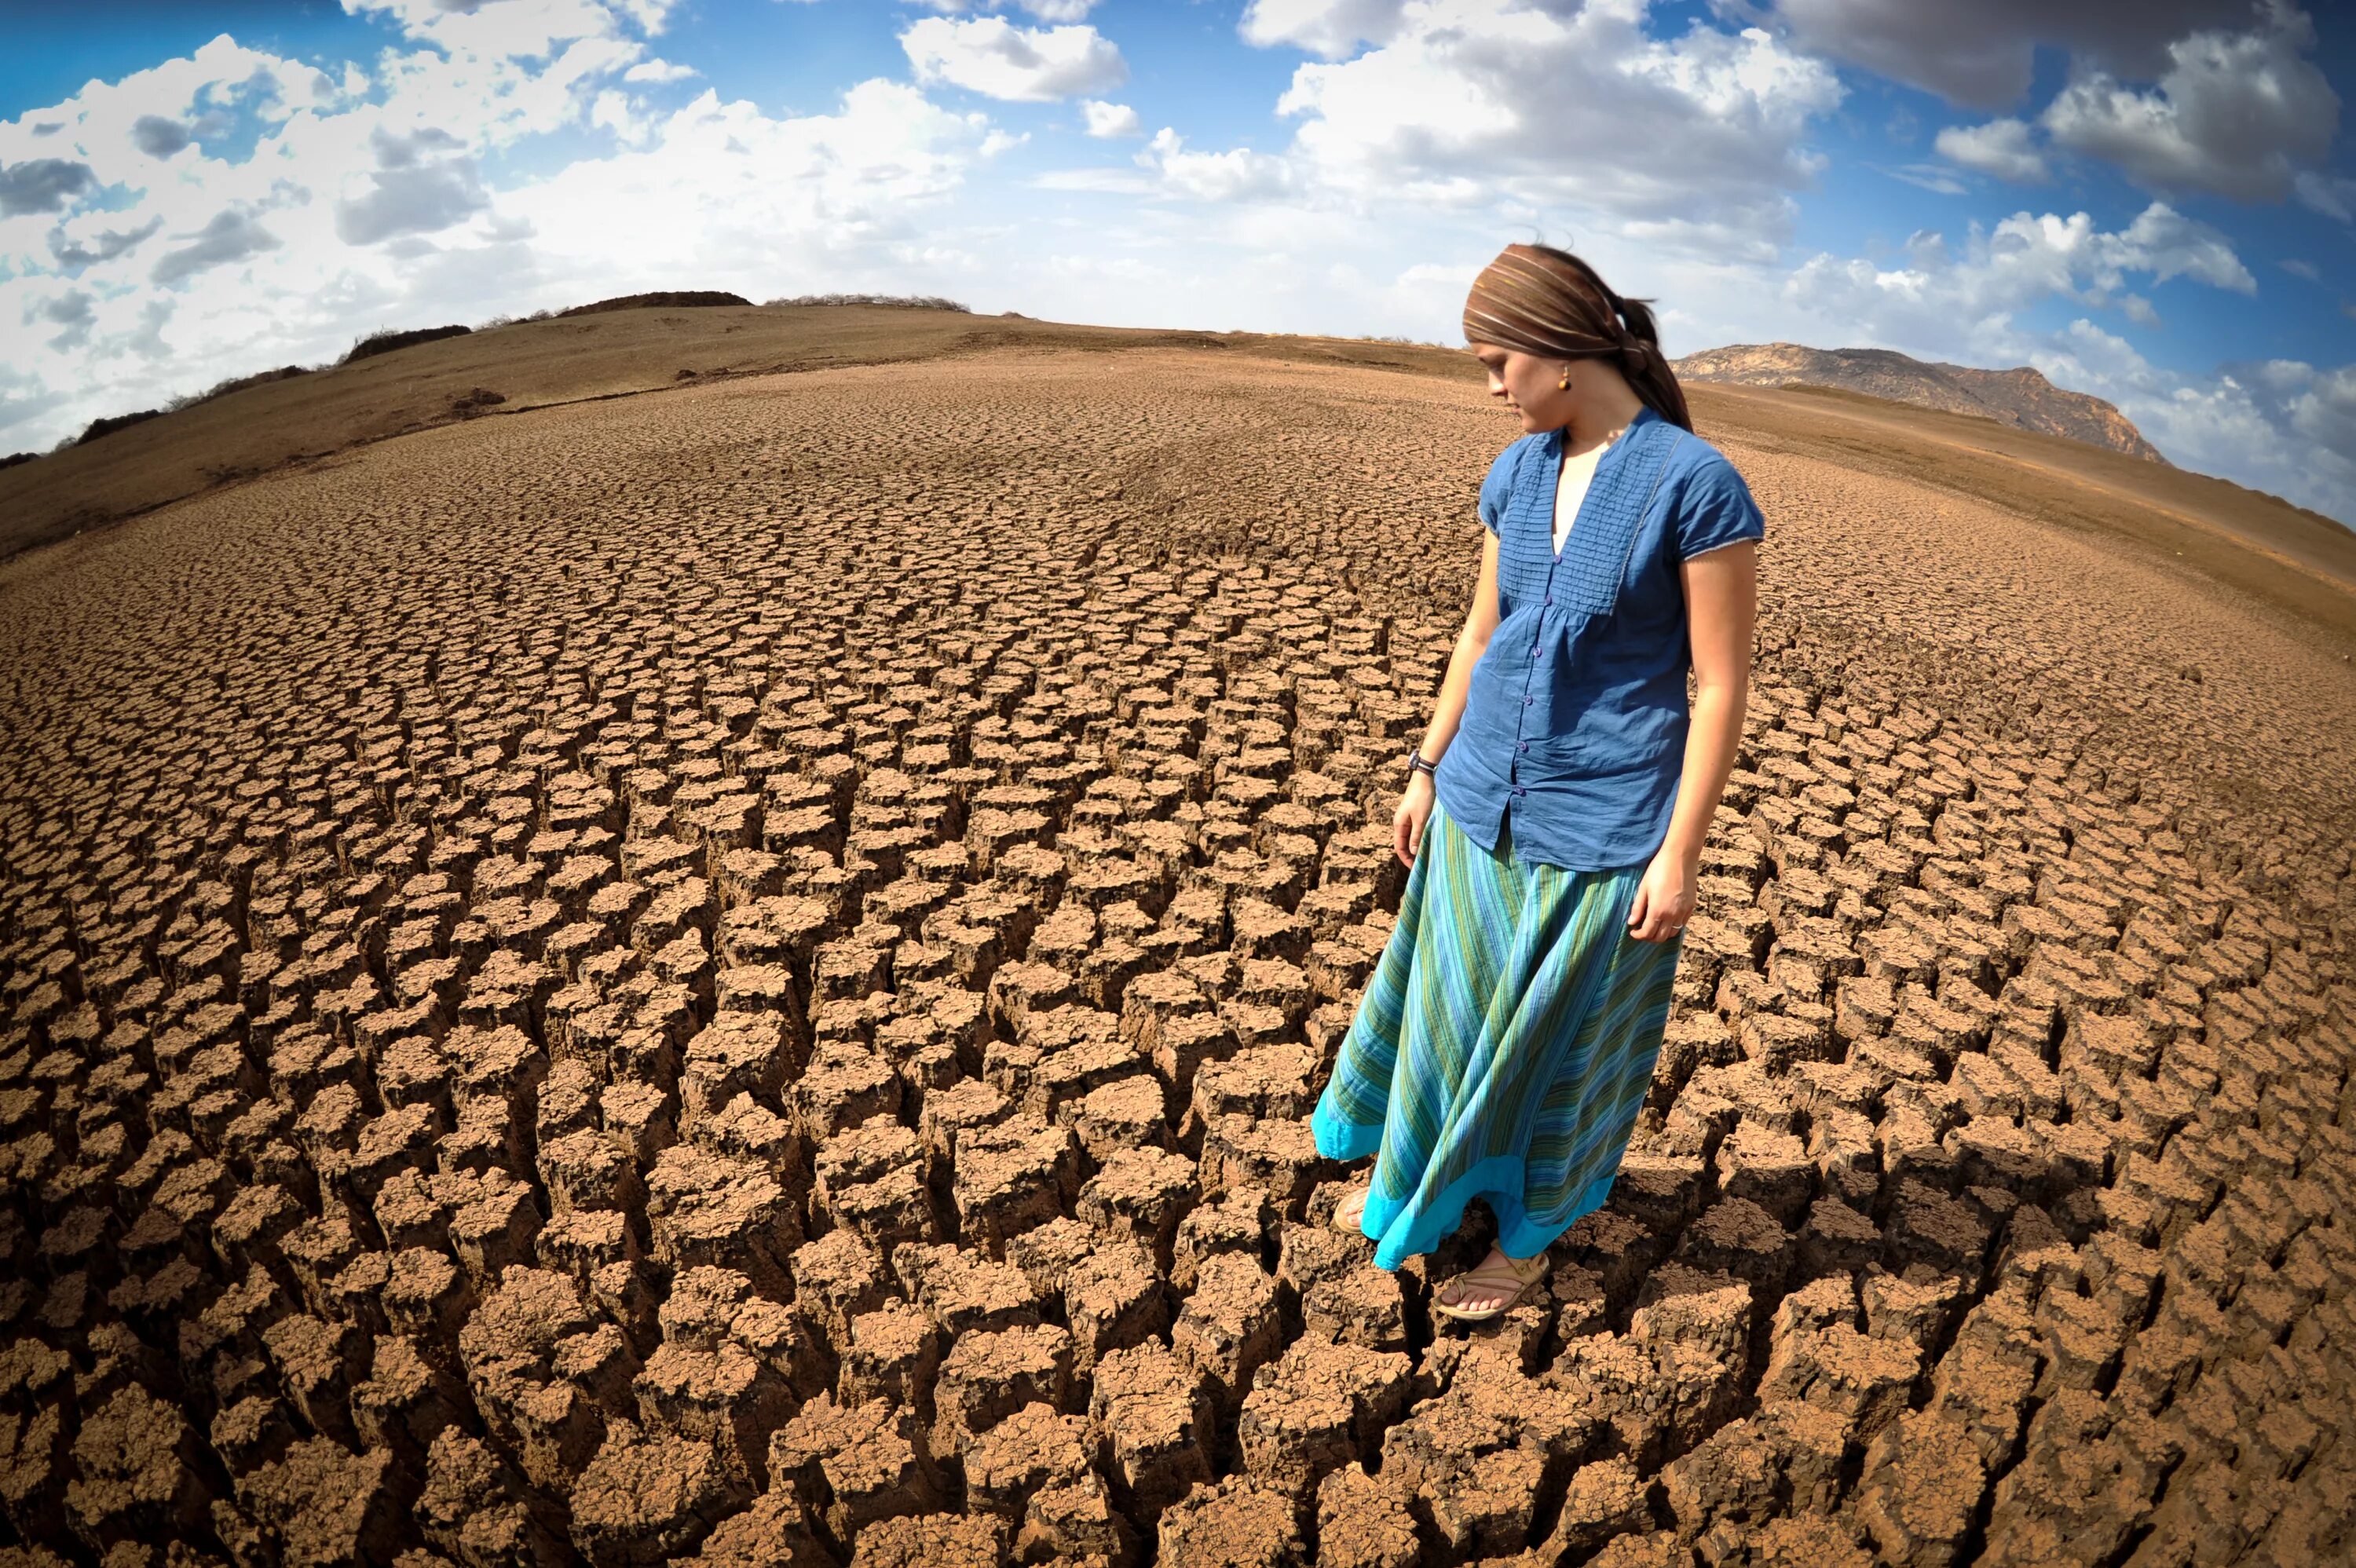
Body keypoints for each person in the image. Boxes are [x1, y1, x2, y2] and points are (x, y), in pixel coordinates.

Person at [1308, 242, 1764, 1321]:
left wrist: (1681, 852)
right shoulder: (1517, 472)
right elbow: (1481, 633)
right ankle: (1416, 1181)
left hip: (1604, 822)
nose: (1491, 385)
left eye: (1496, 360)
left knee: (1555, 1047)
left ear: (1561, 356)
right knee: (1447, 1012)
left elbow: (1721, 685)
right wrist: (1424, 767)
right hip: (1476, 800)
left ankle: (1522, 1242)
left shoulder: (1696, 486)